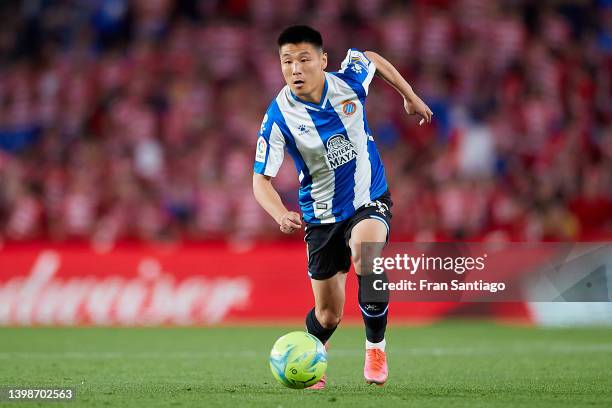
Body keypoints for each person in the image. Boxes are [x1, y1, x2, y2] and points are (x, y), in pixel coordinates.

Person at [252, 25, 432, 388]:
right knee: (328, 314)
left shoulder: (347, 84)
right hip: (320, 217)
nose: (295, 69)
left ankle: (376, 348)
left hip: (369, 198)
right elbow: (260, 180)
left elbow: (373, 60)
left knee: (366, 254)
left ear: (323, 60)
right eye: (287, 61)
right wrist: (279, 213)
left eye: (304, 59)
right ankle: (310, 358)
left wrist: (409, 96)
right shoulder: (278, 116)